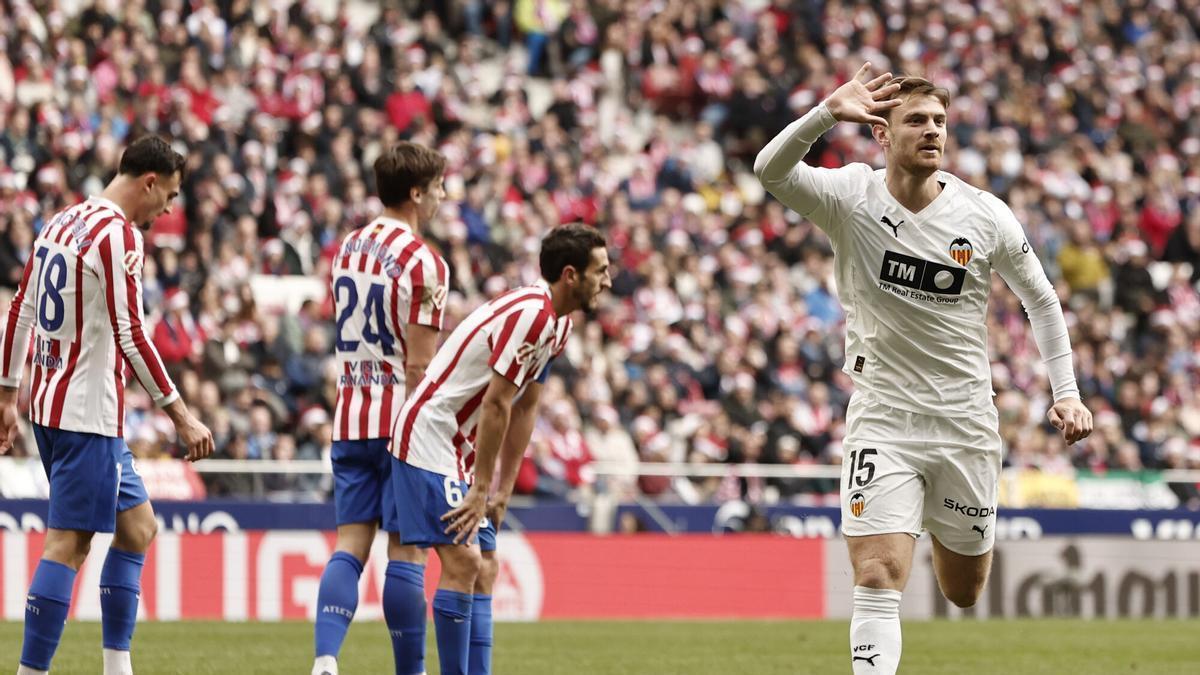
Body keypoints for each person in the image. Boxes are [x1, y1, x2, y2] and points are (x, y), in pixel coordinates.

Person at [754, 64, 1094, 674]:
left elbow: (1041, 299)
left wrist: (1065, 393)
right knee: (878, 571)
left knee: (963, 589)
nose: (932, 130)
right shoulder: (849, 197)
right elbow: (770, 170)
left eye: (939, 121)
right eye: (915, 120)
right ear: (882, 134)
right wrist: (826, 112)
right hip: (883, 419)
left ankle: (945, 525)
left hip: (964, 423)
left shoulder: (984, 215)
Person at [0, 135, 214, 675]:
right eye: (167, 196)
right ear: (148, 181)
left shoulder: (62, 221)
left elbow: (21, 308)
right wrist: (181, 414)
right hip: (85, 413)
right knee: (68, 546)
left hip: (54, 405)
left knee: (138, 526)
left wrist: (7, 393)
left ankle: (117, 667)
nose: (168, 210)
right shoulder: (118, 236)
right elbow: (132, 332)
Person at [389, 223, 610, 675]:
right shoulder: (532, 314)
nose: (608, 280)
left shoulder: (559, 325)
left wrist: (503, 489)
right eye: (600, 270)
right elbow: (495, 404)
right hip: (430, 435)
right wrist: (479, 488)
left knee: (486, 566)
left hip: (463, 445)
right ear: (571, 275)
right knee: (464, 559)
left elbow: (527, 406)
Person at [311, 141, 450, 675]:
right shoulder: (425, 262)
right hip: (399, 420)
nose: (442, 196)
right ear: (416, 192)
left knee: (349, 545)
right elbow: (419, 367)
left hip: (350, 414)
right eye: (437, 186)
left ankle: (326, 659)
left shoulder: (348, 247)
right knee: (406, 552)